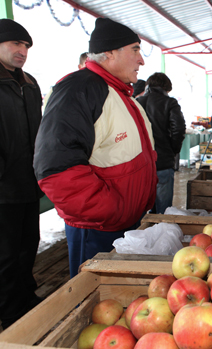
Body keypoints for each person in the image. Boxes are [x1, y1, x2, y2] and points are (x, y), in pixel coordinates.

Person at [34, 18, 157, 279]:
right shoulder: (81, 89)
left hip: (122, 223)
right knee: (91, 302)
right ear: (110, 53)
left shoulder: (120, 92)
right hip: (98, 228)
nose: (142, 60)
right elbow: (55, 168)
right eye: (135, 50)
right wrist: (108, 210)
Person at [0, 18, 43, 330]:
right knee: (5, 254)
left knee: (29, 245)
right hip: (2, 187)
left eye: (26, 46)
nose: (22, 51)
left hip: (28, 182)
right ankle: (9, 310)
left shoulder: (29, 84)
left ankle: (26, 298)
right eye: (16, 43)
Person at [137, 73, 185, 214]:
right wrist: (173, 149)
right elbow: (179, 128)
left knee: (140, 209)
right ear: (166, 87)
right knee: (163, 211)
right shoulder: (169, 103)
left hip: (140, 162)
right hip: (163, 160)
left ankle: (144, 234)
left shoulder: (137, 102)